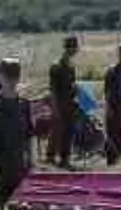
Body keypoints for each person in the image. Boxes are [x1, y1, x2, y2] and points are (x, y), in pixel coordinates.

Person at [0, 59, 34, 201]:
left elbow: (28, 135)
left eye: (15, 77)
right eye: (7, 77)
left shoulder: (24, 105)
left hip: (18, 167)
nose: (11, 81)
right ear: (0, 77)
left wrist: (30, 160)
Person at [48, 36, 81, 169]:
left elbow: (71, 85)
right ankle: (50, 157)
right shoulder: (57, 66)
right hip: (60, 104)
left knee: (68, 132)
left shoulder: (71, 66)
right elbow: (53, 90)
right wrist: (55, 108)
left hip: (70, 103)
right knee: (57, 131)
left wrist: (76, 91)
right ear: (68, 48)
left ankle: (65, 158)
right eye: (73, 47)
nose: (75, 50)